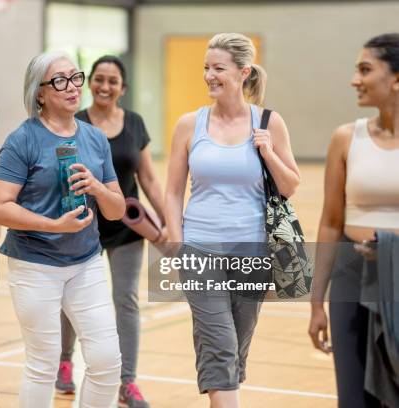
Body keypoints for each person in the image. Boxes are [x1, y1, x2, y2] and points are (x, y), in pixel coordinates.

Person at [165, 33, 300, 408]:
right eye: (206, 68)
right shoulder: (189, 125)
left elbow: (290, 186)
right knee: (220, 345)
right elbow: (173, 192)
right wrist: (178, 248)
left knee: (235, 350)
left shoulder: (270, 122)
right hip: (200, 249)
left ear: (243, 73)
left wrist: (268, 152)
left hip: (252, 252)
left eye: (218, 68)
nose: (209, 75)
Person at [0, 51, 124, 408]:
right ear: (40, 94)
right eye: (59, 81)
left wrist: (96, 186)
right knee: (43, 365)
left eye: (75, 77)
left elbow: (117, 208)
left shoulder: (94, 139)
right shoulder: (23, 140)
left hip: (87, 262)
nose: (73, 87)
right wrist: (52, 225)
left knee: (107, 360)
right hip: (35, 264)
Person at [56, 55, 166, 408]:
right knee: (70, 297)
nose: (105, 86)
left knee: (126, 300)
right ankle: (64, 361)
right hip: (81, 223)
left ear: (123, 88)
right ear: (90, 83)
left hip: (126, 225)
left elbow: (147, 177)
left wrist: (166, 223)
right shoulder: (75, 122)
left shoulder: (134, 123)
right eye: (99, 79)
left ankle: (127, 382)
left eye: (112, 81)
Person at [308, 33, 399, 408]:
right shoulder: (346, 138)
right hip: (351, 275)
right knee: (353, 395)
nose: (354, 80)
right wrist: (316, 301)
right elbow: (330, 222)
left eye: (365, 69)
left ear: (396, 78)